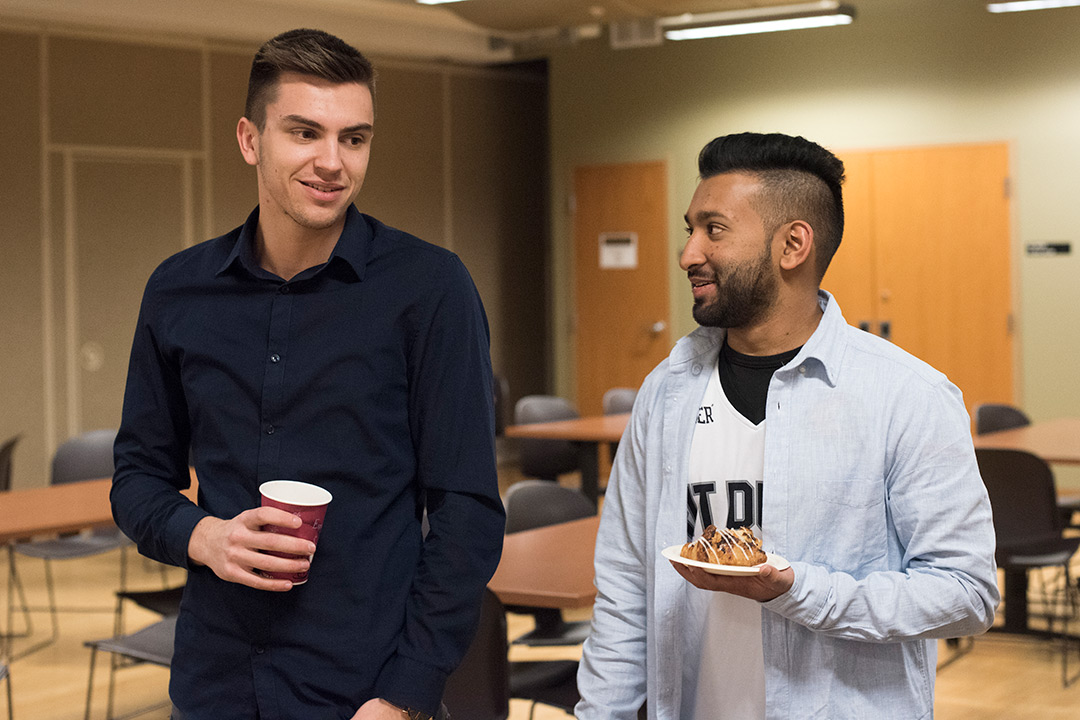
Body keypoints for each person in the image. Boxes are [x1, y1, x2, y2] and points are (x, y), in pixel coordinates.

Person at [111, 28, 504, 720]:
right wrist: (204, 535)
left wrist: (404, 695)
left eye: (354, 138)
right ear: (249, 139)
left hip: (365, 692)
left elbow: (466, 513)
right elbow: (139, 477)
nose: (332, 162)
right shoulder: (178, 290)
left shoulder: (429, 289)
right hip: (214, 687)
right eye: (304, 133)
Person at [575, 132, 999, 719]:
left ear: (793, 244)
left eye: (713, 230)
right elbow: (626, 587)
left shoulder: (906, 397)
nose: (688, 253)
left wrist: (799, 590)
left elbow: (966, 593)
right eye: (689, 229)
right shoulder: (666, 392)